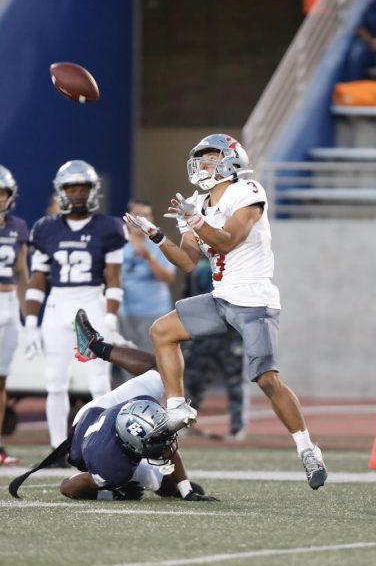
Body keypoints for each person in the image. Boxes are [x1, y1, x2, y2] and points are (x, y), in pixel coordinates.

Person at [124, 133, 328, 490]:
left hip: (254, 300)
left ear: (231, 159)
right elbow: (188, 261)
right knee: (162, 331)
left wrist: (197, 221)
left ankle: (307, 447)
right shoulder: (196, 202)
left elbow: (229, 239)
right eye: (200, 158)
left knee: (266, 378)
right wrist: (157, 236)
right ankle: (176, 407)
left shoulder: (247, 191)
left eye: (210, 157)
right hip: (221, 298)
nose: (203, 164)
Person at [54, 308, 216, 502]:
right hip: (89, 438)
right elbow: (68, 487)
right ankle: (134, 485)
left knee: (162, 371)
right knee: (166, 488)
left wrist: (187, 490)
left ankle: (95, 347)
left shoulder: (144, 406)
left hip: (104, 412)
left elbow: (166, 439)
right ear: (134, 448)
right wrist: (109, 492)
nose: (165, 446)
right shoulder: (112, 467)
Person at [24, 160, 128, 460]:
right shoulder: (45, 228)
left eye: (84, 187)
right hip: (57, 304)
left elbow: (114, 278)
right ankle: (58, 446)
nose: (79, 193)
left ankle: (106, 446)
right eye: (72, 187)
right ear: (61, 191)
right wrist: (31, 321)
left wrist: (109, 318)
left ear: (93, 190)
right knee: (54, 381)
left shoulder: (109, 227)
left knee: (99, 382)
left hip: (92, 302)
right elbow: (38, 277)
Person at [183, 257, 248, 440]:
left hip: (229, 332)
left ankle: (238, 428)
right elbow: (189, 295)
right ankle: (184, 423)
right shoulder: (200, 266)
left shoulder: (237, 264)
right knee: (194, 380)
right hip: (204, 331)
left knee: (234, 381)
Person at [113, 199, 175, 386]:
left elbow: (169, 277)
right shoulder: (117, 243)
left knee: (155, 362)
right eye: (137, 216)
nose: (142, 220)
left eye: (146, 215)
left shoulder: (159, 243)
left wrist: (149, 258)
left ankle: (156, 403)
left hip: (154, 312)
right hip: (126, 313)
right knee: (128, 360)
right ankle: (131, 403)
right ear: (128, 218)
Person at [0, 165, 29, 466]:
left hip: (9, 305)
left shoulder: (18, 226)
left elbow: (22, 273)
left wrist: (29, 319)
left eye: (2, 193)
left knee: (1, 382)